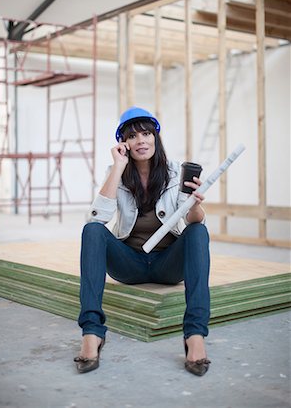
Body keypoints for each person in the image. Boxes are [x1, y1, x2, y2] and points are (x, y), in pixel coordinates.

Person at [74, 107, 211, 376]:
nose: (141, 141)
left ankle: (194, 334)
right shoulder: (117, 172)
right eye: (133, 136)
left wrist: (195, 202)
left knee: (199, 232)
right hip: (130, 264)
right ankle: (92, 331)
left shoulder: (175, 173)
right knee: (92, 231)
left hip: (167, 264)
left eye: (146, 134)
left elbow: (194, 221)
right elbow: (96, 217)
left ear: (156, 138)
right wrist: (118, 167)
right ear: (124, 143)